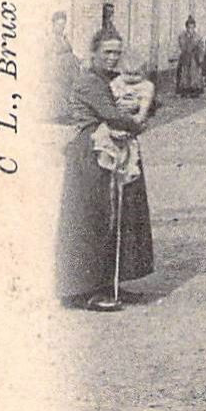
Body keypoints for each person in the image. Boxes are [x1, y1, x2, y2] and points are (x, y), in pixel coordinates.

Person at [55, 25, 156, 311]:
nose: (113, 58)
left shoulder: (114, 80)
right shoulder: (88, 81)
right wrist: (136, 121)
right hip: (89, 153)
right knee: (90, 218)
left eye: (117, 53)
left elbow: (150, 100)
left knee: (118, 215)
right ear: (94, 53)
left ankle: (110, 283)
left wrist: (143, 103)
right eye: (107, 52)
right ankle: (83, 290)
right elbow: (111, 113)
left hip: (112, 151)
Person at [92, 55, 155, 188]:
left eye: (136, 74)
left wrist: (139, 116)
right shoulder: (117, 82)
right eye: (127, 74)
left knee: (129, 154)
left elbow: (145, 105)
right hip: (115, 119)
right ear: (121, 72)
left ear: (144, 73)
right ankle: (106, 162)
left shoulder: (146, 86)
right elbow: (109, 99)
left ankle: (125, 174)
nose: (131, 78)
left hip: (130, 121)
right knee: (104, 138)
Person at [49, 10, 81, 120]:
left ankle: (71, 110)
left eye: (63, 25)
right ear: (53, 24)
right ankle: (62, 113)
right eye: (59, 25)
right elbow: (50, 57)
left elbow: (70, 52)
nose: (61, 27)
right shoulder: (51, 39)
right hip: (58, 68)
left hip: (68, 67)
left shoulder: (64, 38)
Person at [175, 17, 205, 97]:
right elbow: (182, 46)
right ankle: (184, 90)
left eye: (192, 27)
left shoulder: (197, 36)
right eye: (189, 27)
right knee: (184, 73)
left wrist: (199, 54)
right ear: (186, 27)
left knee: (194, 74)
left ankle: (194, 90)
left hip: (194, 57)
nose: (190, 29)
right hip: (185, 57)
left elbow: (201, 46)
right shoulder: (182, 36)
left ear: (194, 27)